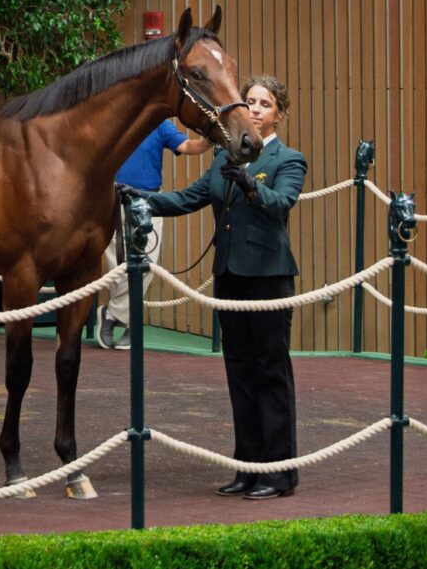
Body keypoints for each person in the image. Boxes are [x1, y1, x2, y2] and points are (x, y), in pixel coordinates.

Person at [141, 76, 307, 500]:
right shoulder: (223, 155)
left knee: (270, 372)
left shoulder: (290, 160)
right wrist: (139, 198)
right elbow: (190, 197)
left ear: (278, 115)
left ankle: (279, 473)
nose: (253, 109)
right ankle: (247, 468)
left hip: (269, 278)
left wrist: (250, 183)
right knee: (239, 373)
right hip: (230, 276)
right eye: (249, 101)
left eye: (263, 104)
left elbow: (280, 206)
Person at [96, 121, 211, 351]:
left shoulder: (160, 124)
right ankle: (130, 320)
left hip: (148, 202)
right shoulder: (115, 117)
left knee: (145, 264)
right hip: (110, 200)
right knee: (115, 264)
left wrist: (209, 140)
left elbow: (188, 146)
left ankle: (112, 314)